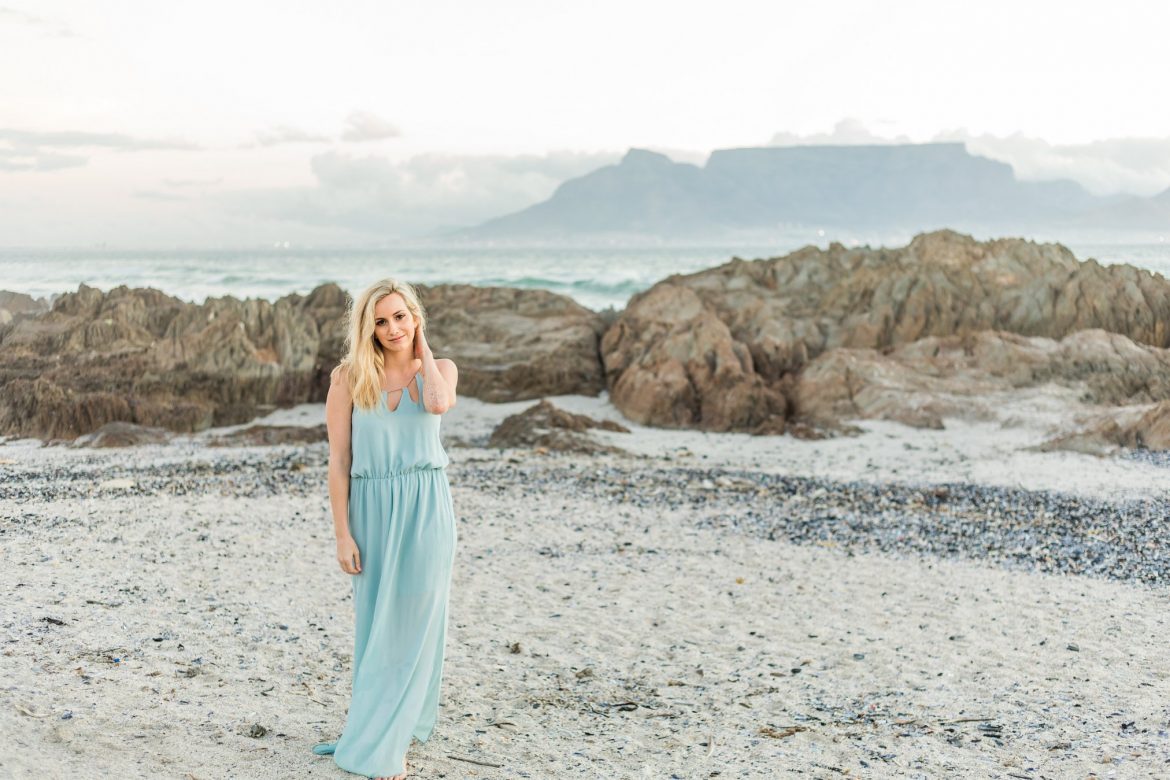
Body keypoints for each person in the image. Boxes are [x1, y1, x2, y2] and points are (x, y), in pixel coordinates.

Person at [312, 279, 458, 780]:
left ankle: (392, 741)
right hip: (370, 510)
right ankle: (373, 731)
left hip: (427, 508)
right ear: (367, 328)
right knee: (377, 627)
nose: (392, 328)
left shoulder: (440, 370)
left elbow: (437, 404)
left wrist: (422, 348)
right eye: (380, 321)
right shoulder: (349, 378)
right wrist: (342, 534)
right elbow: (338, 461)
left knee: (416, 625)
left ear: (415, 317)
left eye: (400, 316)